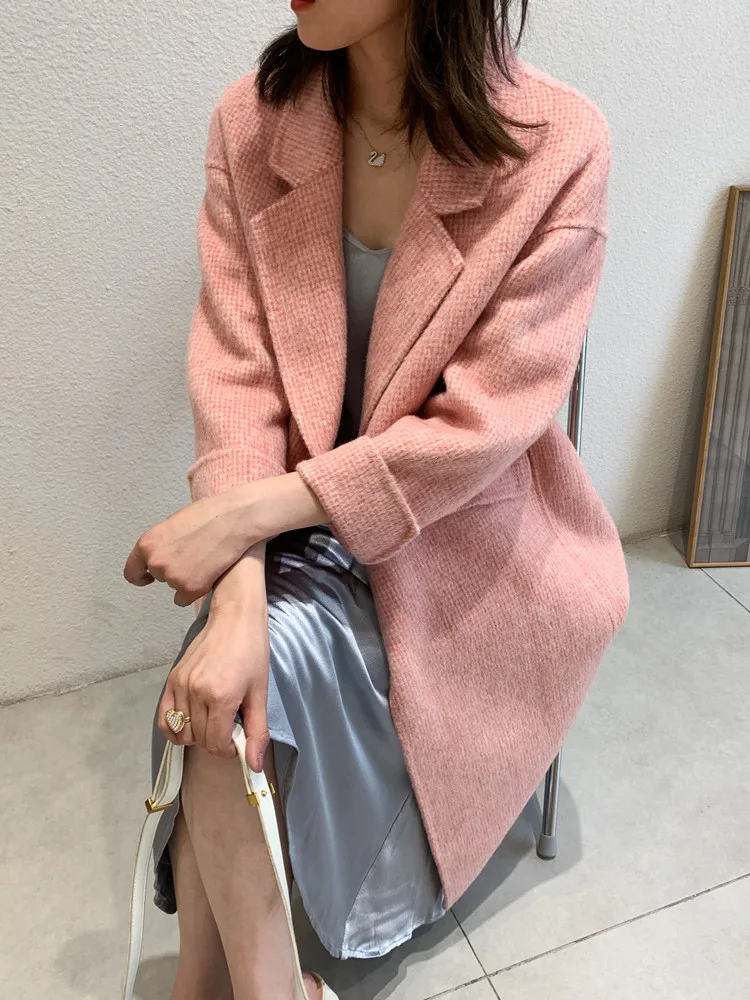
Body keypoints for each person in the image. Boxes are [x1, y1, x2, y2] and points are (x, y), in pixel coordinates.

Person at [123, 1, 629, 998]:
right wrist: (236, 592)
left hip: (465, 535)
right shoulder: (254, 124)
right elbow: (236, 376)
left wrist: (247, 517)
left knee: (225, 699)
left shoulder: (557, 145)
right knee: (220, 685)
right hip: (294, 529)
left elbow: (482, 429)